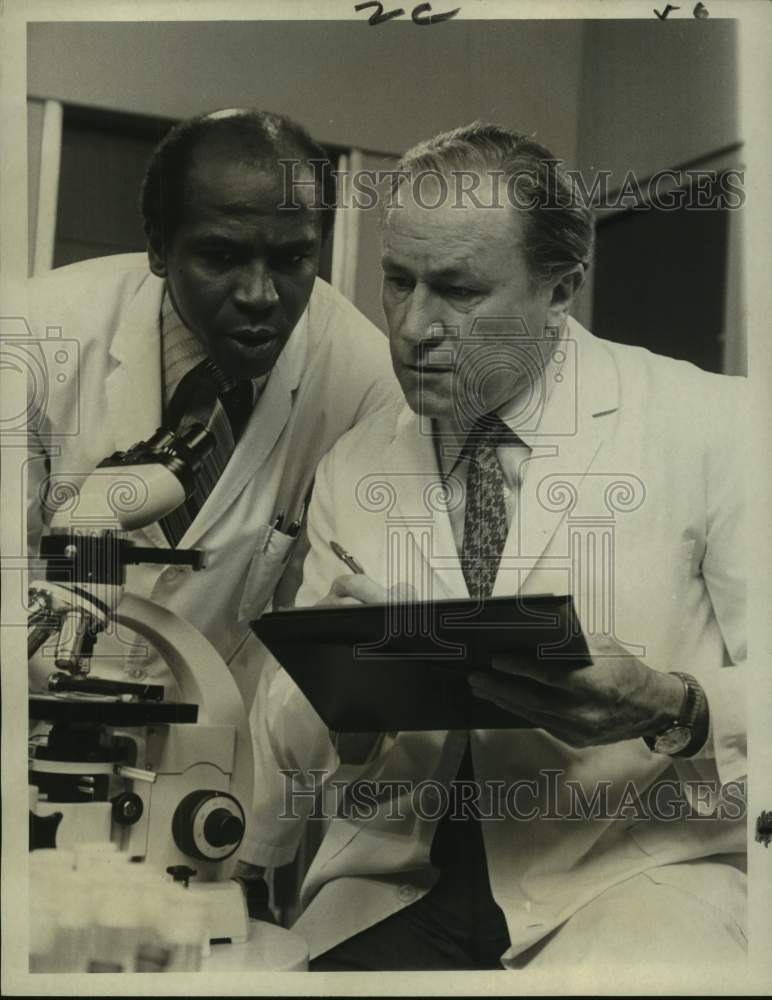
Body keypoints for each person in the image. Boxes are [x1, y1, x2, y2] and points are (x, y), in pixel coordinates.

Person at [245, 122, 747, 970]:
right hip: (401, 882)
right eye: (397, 283)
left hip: (637, 878)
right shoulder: (358, 463)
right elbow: (288, 744)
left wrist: (675, 704)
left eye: (459, 290)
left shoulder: (716, 427)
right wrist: (334, 682)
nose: (413, 327)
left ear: (562, 289)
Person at [26, 108, 400, 702]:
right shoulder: (35, 336)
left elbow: (316, 619)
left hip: (222, 736)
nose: (260, 295)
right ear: (157, 245)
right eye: (221, 258)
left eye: (292, 260)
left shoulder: (366, 381)